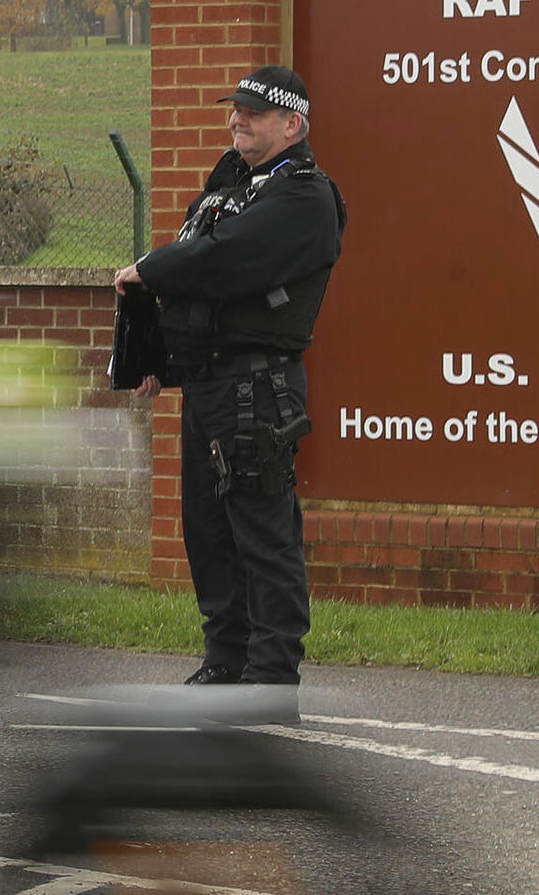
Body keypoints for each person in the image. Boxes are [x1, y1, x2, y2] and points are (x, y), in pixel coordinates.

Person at [114, 66, 345, 724]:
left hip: (258, 388)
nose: (237, 119)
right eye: (235, 109)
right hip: (210, 385)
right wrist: (160, 358)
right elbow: (197, 271)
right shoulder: (233, 187)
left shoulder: (304, 197)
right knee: (208, 533)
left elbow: (223, 262)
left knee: (261, 534)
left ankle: (269, 686)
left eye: (253, 112)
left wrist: (149, 266)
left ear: (291, 124)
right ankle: (226, 664)